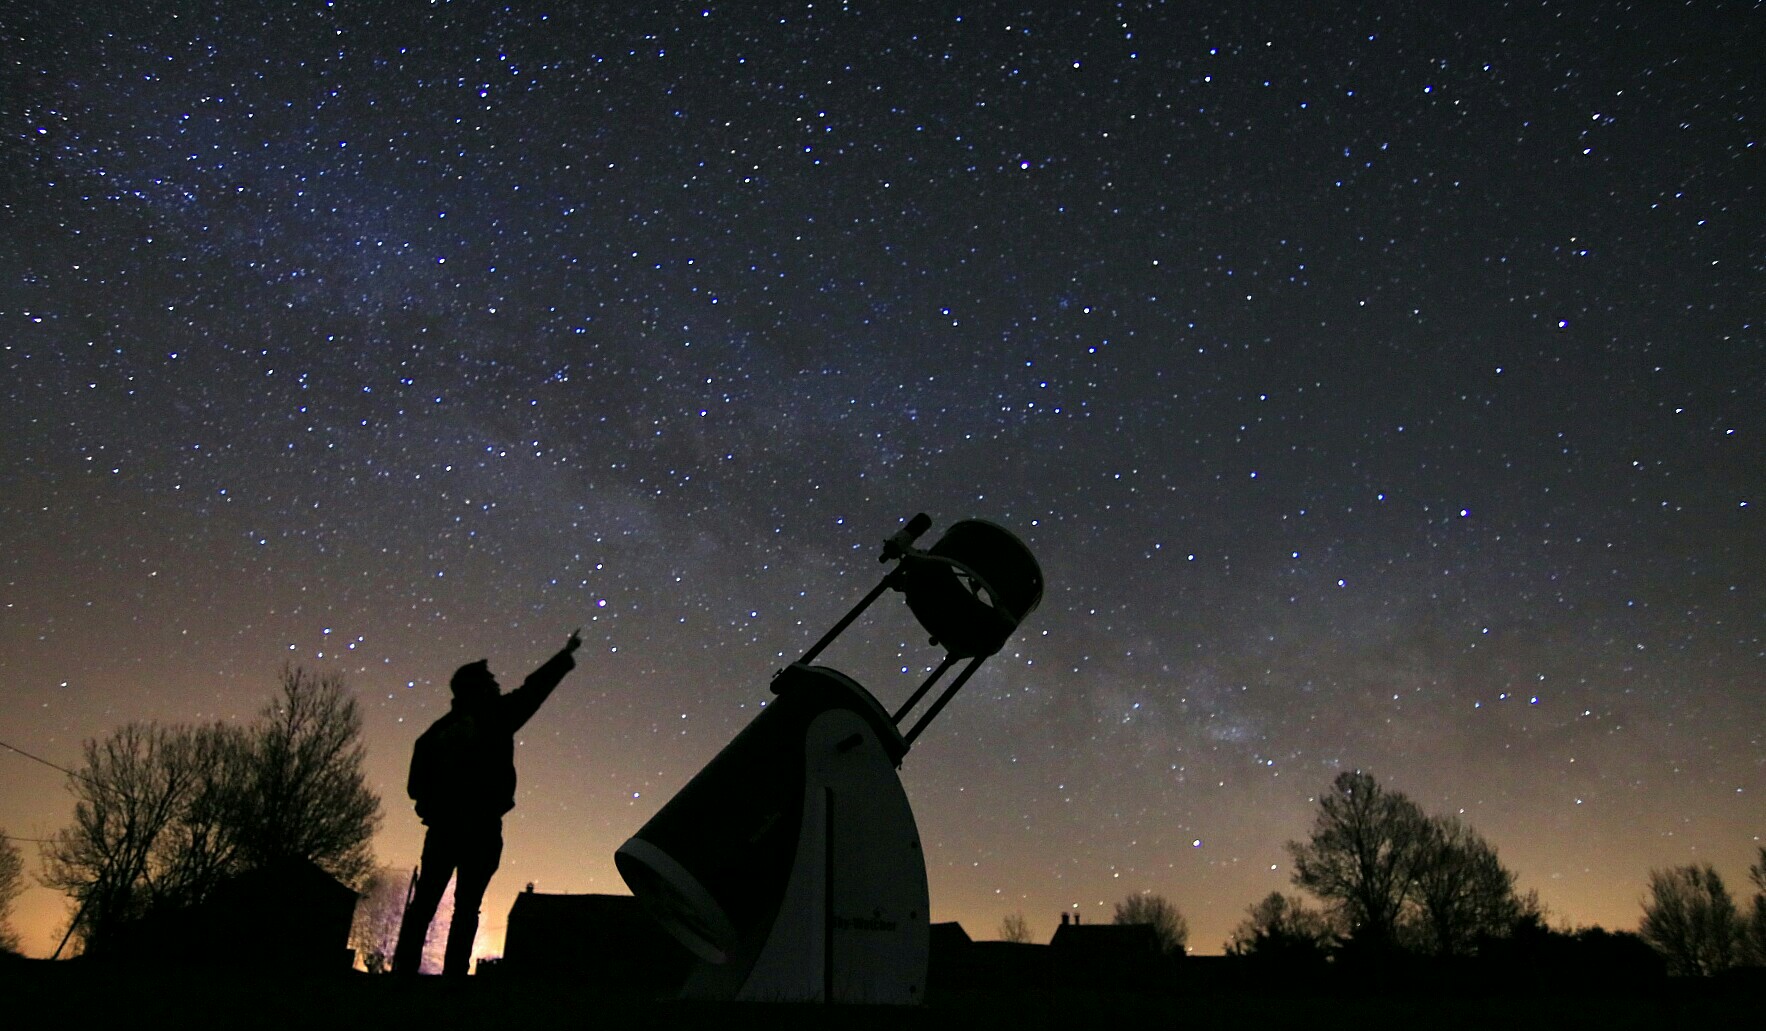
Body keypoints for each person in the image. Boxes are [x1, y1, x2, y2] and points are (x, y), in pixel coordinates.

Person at [392, 629, 582, 976]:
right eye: (491, 681)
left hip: (444, 829)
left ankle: (403, 973)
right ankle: (452, 981)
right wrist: (564, 657)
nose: (497, 685)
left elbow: (415, 786)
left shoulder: (435, 733)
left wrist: (434, 808)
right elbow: (532, 692)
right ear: (477, 688)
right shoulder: (495, 717)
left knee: (424, 906)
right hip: (480, 828)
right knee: (467, 909)